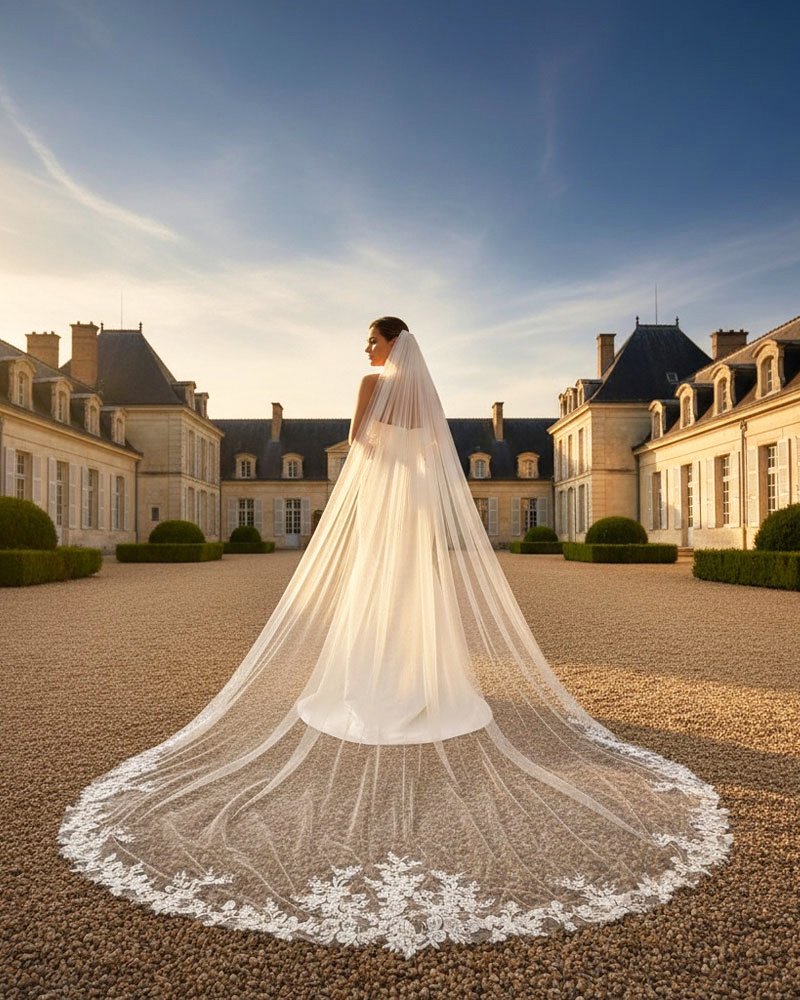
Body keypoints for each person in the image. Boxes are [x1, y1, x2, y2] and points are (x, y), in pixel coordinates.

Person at [60, 318, 731, 958]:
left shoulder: (373, 388)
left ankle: (373, 683)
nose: (366, 351)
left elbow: (359, 446)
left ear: (389, 344)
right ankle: (420, 683)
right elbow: (435, 454)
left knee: (371, 593)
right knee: (415, 595)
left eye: (370, 341)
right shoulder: (422, 395)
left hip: (381, 504)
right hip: (412, 506)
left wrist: (369, 478)